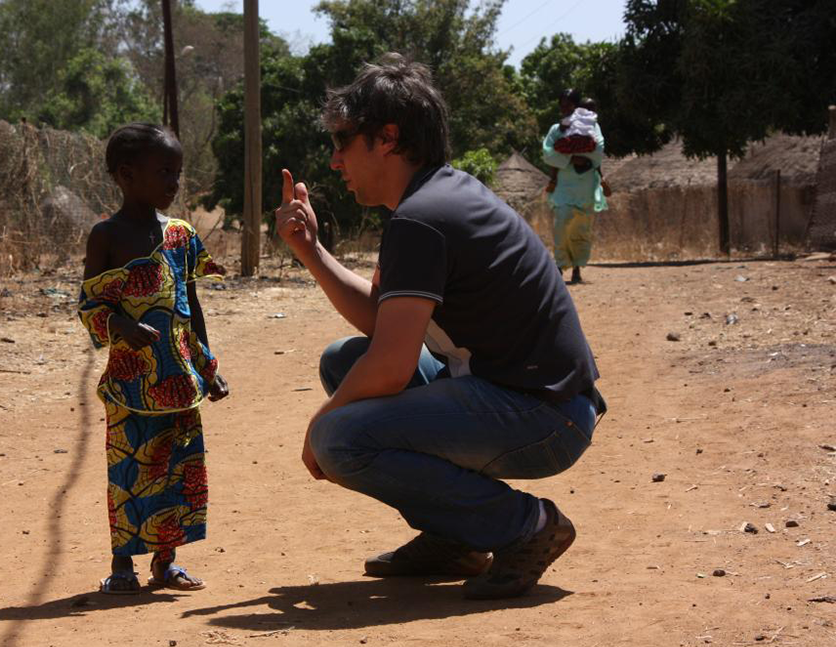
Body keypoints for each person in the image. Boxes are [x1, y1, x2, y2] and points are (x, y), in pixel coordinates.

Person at [274, 54, 605, 600]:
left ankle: (527, 528)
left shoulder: (422, 218)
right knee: (342, 360)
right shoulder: (431, 201)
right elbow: (384, 325)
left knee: (340, 439)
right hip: (529, 398)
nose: (335, 160)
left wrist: (319, 425)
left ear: (387, 137)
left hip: (546, 416)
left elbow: (391, 365)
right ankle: (457, 536)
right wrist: (310, 252)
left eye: (342, 142)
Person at [78, 122, 229, 595]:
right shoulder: (106, 236)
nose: (174, 182)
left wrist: (209, 368)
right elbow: (89, 305)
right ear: (126, 175)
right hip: (129, 382)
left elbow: (192, 306)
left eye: (177, 173)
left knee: (177, 470)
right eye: (164, 171)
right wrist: (122, 326)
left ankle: (165, 564)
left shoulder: (182, 236)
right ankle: (122, 565)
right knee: (127, 471)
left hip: (180, 377)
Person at [543, 88, 608, 285]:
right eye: (561, 105)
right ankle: (560, 265)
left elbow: (598, 149)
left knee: (581, 228)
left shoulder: (591, 126)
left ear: (576, 106)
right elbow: (547, 153)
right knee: (561, 225)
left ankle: (577, 268)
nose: (564, 109)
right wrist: (572, 157)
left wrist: (578, 157)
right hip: (564, 186)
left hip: (585, 186)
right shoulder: (556, 129)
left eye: (568, 105)